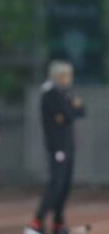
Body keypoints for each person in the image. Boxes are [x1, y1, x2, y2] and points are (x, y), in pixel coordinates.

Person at [26, 60, 85, 234]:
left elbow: (81, 111)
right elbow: (68, 114)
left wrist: (71, 111)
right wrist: (71, 110)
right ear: (57, 76)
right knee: (56, 183)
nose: (69, 78)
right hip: (58, 146)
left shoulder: (65, 93)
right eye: (67, 75)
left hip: (69, 145)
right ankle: (37, 221)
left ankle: (58, 222)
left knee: (65, 185)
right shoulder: (50, 93)